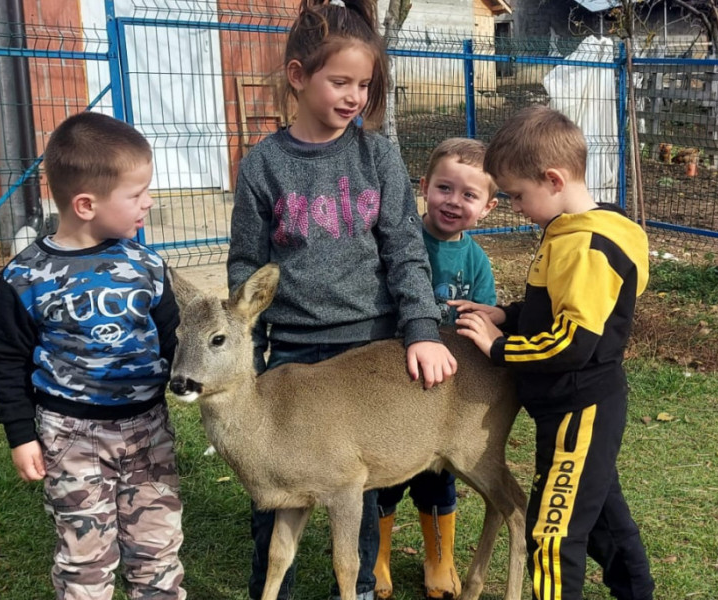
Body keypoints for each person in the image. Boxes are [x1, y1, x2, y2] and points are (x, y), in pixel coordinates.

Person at [225, 0, 458, 599]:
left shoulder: (376, 155)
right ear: (299, 76)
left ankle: (351, 591)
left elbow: (406, 249)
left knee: (354, 493)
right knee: (271, 495)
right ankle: (269, 589)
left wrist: (423, 330)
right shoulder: (262, 165)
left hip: (368, 347)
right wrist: (242, 352)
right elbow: (247, 264)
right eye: (341, 82)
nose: (355, 96)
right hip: (294, 353)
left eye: (365, 84)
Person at [452, 105, 656, 600]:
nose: (518, 207)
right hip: (572, 408)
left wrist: (501, 348)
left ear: (553, 178)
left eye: (520, 195)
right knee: (607, 524)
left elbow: (573, 341)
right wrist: (509, 314)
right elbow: (559, 307)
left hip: (578, 410)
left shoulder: (588, 246)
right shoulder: (572, 230)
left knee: (550, 537)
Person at [0, 111, 185, 600]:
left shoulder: (147, 267)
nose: (149, 204)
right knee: (84, 562)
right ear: (85, 204)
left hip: (148, 432)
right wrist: (20, 435)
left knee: (157, 551)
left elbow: (174, 340)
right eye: (136, 195)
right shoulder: (24, 277)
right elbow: (7, 360)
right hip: (70, 438)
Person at [372, 137, 498, 600]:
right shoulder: (398, 242)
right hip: (393, 383)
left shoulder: (476, 260)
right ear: (424, 186)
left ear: (487, 206)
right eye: (445, 188)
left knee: (439, 476)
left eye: (470, 195)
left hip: (446, 394)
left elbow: (483, 318)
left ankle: (439, 556)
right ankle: (378, 558)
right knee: (385, 476)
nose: (454, 202)